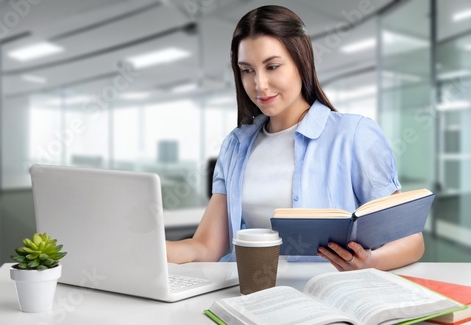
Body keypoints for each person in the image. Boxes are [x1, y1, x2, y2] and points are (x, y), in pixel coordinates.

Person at [166, 5, 424, 271]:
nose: (259, 85)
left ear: (302, 61)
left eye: (273, 66)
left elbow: (411, 240)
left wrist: (370, 262)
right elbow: (207, 247)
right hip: (252, 291)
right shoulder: (236, 145)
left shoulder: (354, 135)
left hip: (326, 295)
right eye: (247, 70)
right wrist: (152, 248)